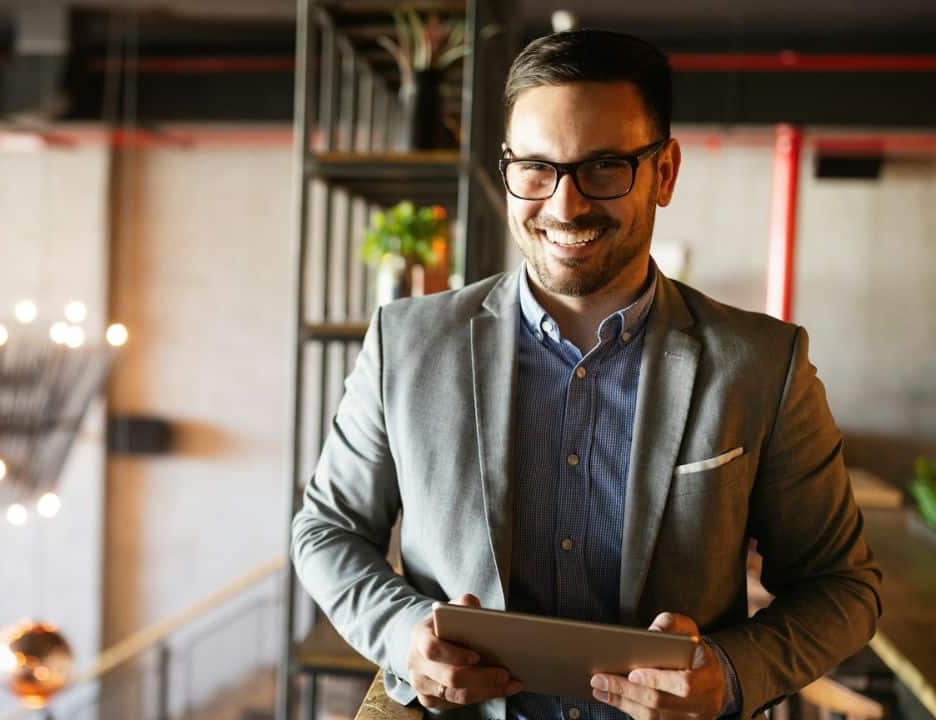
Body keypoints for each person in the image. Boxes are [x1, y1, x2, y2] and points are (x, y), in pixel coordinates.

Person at [290, 29, 881, 720]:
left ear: (665, 171)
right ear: (507, 166)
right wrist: (403, 633)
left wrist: (728, 672)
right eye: (536, 168)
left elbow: (842, 587)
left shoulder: (762, 363)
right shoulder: (407, 341)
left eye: (604, 167)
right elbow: (326, 530)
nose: (565, 206)